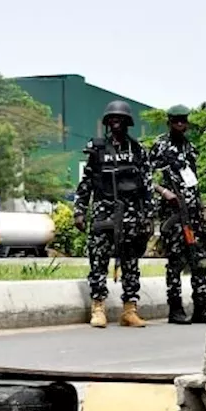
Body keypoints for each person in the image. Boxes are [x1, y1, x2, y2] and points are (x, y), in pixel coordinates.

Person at [74, 101, 153, 328]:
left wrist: (148, 216)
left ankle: (129, 310)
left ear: (127, 122)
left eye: (120, 118)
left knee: (130, 263)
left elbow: (147, 185)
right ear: (107, 122)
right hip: (103, 212)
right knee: (98, 261)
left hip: (131, 214)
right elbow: (86, 182)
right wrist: (80, 211)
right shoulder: (97, 149)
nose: (116, 121)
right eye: (112, 118)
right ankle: (98, 308)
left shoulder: (137, 150)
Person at [149, 104, 206, 325]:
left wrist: (201, 209)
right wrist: (163, 191)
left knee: (199, 261)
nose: (180, 124)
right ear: (169, 122)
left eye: (183, 120)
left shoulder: (190, 148)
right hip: (173, 214)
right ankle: (175, 309)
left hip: (193, 214)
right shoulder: (159, 146)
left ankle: (202, 308)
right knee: (176, 263)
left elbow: (194, 181)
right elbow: (145, 177)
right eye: (175, 120)